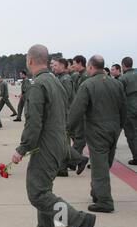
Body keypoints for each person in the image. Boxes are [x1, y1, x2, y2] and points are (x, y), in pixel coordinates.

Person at [11, 44, 95, 227]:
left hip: (46, 145)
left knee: (38, 194)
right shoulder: (55, 81)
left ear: (30, 60)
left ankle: (80, 220)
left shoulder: (38, 85)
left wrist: (22, 149)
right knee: (44, 191)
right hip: (58, 142)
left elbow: (34, 123)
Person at [68, 55, 127, 212]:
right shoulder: (117, 84)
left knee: (100, 166)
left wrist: (67, 128)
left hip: (97, 129)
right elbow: (123, 108)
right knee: (105, 162)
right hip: (114, 129)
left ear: (91, 67)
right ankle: (97, 191)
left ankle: (105, 201)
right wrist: (119, 126)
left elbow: (77, 109)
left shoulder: (88, 85)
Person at [53, 58, 89, 177]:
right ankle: (63, 167)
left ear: (63, 66)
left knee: (63, 141)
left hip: (65, 114)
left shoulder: (66, 79)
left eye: (56, 65)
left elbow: (65, 98)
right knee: (62, 141)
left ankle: (78, 160)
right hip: (62, 113)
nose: (53, 67)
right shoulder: (59, 78)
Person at [119, 57, 137, 165]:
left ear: (123, 65)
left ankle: (136, 157)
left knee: (131, 134)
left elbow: (120, 96)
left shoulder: (123, 78)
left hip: (130, 108)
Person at [72, 55, 89, 155]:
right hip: (82, 110)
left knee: (80, 137)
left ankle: (74, 160)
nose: (73, 66)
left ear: (80, 63)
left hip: (84, 111)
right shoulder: (80, 75)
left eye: (74, 64)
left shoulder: (85, 76)